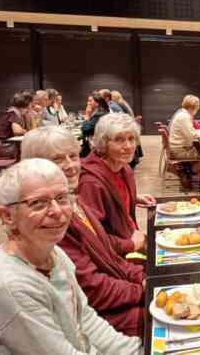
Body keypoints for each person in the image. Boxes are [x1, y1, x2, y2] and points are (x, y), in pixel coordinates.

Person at [0, 158, 142, 354]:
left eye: (62, 198)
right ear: (7, 216)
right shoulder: (10, 287)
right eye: (38, 203)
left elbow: (86, 321)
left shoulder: (54, 253)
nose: (57, 211)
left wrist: (137, 350)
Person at [21, 126, 145, 337]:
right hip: (93, 318)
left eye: (73, 156)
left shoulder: (74, 201)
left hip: (114, 293)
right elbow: (93, 291)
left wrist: (144, 278)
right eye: (58, 160)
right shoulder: (49, 222)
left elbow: (110, 258)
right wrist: (143, 290)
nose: (71, 166)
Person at [78, 113, 154, 256]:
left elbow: (112, 191)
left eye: (131, 139)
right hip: (117, 255)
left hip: (130, 236)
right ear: (103, 143)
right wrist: (130, 245)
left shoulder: (123, 168)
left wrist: (133, 197)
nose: (128, 146)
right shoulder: (90, 183)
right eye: (119, 140)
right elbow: (90, 238)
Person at [168, 94, 200, 189]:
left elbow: (191, 131)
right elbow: (193, 136)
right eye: (198, 107)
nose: (198, 109)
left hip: (178, 147)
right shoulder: (184, 117)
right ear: (194, 107)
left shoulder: (183, 114)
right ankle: (194, 180)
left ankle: (191, 174)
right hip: (181, 150)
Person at [0, 91, 33, 158]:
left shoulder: (19, 112)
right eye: (31, 103)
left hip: (9, 145)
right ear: (27, 103)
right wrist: (27, 131)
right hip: (5, 146)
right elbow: (17, 131)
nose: (32, 105)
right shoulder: (14, 113)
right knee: (32, 149)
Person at [80, 91, 109, 157]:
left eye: (90, 101)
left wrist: (87, 116)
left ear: (97, 103)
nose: (88, 103)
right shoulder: (101, 111)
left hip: (96, 146)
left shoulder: (99, 114)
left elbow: (85, 129)